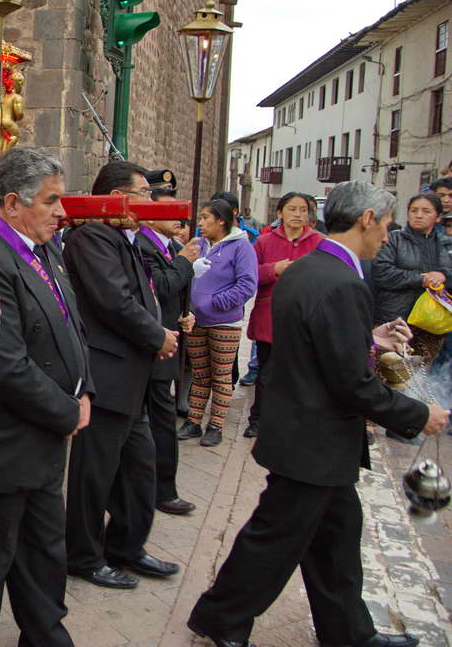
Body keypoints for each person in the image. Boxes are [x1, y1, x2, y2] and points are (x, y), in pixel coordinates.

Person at [188, 180, 449, 647]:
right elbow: (351, 382)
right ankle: (220, 617)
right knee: (274, 539)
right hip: (312, 442)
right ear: (366, 220)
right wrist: (416, 413)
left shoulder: (312, 268)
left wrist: (369, 338)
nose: (387, 235)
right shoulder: (341, 282)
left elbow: (321, 343)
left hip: (309, 436)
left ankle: (348, 633)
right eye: (387, 224)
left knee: (336, 542)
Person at [0, 147, 90, 647]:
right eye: (51, 200)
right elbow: (4, 363)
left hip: (45, 442)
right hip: (7, 446)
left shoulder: (43, 248)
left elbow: (72, 324)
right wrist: (67, 411)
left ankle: (46, 635)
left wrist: (85, 389)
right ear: (12, 203)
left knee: (44, 556)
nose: (61, 211)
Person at [62, 161, 180, 590]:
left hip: (132, 375)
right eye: (144, 193)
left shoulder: (121, 236)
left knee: (139, 469)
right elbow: (115, 300)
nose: (150, 201)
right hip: (107, 373)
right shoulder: (92, 236)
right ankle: (83, 555)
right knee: (94, 475)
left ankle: (126, 546)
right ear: (115, 197)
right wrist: (157, 335)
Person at [134, 171, 201, 514]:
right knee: (159, 421)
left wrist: (185, 315)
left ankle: (160, 486)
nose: (177, 217)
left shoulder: (171, 247)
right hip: (152, 345)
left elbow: (175, 294)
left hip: (170, 340)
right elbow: (159, 287)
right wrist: (185, 262)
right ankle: (161, 489)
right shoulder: (143, 246)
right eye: (167, 209)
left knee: (160, 419)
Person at [242, 193, 323, 438]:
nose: (298, 214)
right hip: (270, 317)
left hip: (304, 318)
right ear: (280, 213)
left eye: (303, 210)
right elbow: (248, 274)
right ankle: (259, 419)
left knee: (300, 374)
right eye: (292, 209)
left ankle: (294, 421)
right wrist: (273, 269)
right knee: (267, 373)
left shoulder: (318, 242)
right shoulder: (264, 241)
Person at [178, 199, 256, 447]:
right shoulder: (199, 245)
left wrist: (215, 302)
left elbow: (247, 284)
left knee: (221, 376)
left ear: (221, 220)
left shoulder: (241, 247)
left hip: (224, 322)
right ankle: (193, 421)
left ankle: (215, 426)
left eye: (205, 217)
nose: (200, 223)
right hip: (195, 320)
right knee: (200, 374)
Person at [371, 192, 452, 364]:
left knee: (422, 372)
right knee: (389, 370)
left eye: (426, 211)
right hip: (395, 318)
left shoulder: (446, 243)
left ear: (438, 217)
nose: (419, 215)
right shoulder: (393, 239)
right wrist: (420, 279)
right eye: (414, 210)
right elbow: (381, 272)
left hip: (431, 323)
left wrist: (443, 274)